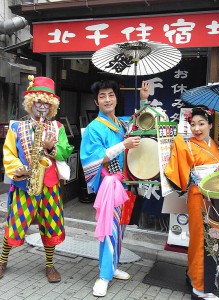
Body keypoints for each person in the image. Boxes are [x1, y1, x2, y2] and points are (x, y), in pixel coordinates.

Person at [0, 76, 74, 283]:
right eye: (38, 101)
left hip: (50, 185)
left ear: (52, 106)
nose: (42, 106)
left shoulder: (57, 127)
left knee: (51, 225)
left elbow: (65, 151)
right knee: (15, 224)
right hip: (24, 185)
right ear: (31, 102)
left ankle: (50, 265)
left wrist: (51, 148)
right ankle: (2, 260)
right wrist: (19, 170)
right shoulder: (16, 127)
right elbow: (8, 154)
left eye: (46, 103)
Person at [80, 79, 150, 297]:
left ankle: (113, 266)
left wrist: (143, 100)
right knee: (108, 231)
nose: (107, 99)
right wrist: (123, 145)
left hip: (125, 183)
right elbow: (94, 158)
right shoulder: (94, 128)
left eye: (111, 94)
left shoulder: (121, 123)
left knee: (120, 229)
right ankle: (103, 276)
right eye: (102, 96)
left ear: (116, 98)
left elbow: (141, 124)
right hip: (109, 184)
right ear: (96, 101)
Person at [165, 106, 219, 300]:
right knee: (201, 241)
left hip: (215, 200)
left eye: (202, 124)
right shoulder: (186, 143)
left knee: (213, 241)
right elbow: (178, 167)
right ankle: (200, 288)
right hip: (198, 198)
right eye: (193, 124)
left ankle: (197, 278)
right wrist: (179, 139)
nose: (197, 128)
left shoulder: (215, 144)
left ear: (211, 125)